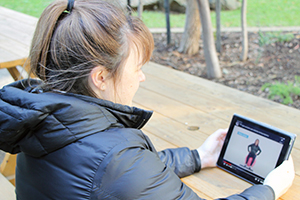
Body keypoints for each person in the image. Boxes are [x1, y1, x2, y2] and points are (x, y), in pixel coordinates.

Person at [0, 0, 294, 199]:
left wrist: (198, 157)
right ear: (100, 77)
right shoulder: (116, 158)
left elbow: (126, 176)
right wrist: (268, 189)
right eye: (137, 68)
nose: (141, 78)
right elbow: (120, 171)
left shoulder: (41, 116)